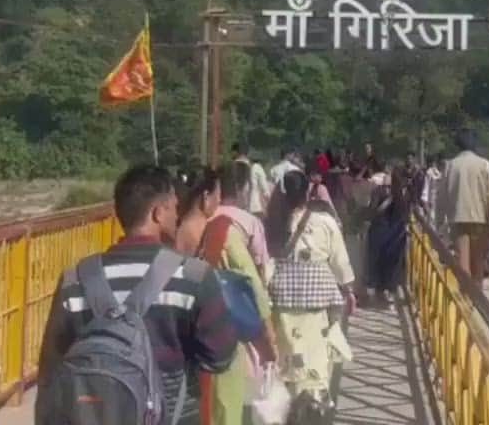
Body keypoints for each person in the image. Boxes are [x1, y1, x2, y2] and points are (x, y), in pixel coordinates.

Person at [35, 165, 236, 425]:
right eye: (174, 207)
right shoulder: (193, 276)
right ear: (157, 213)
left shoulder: (75, 280)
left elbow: (51, 369)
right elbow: (220, 357)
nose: (178, 216)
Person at [173, 168, 276, 425]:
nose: (219, 200)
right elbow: (252, 285)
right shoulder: (222, 233)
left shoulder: (169, 233)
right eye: (217, 194)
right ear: (205, 197)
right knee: (223, 412)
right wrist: (267, 336)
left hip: (176, 343)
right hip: (219, 344)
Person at [265, 170, 356, 420]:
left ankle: (288, 404)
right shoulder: (324, 222)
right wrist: (348, 289)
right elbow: (339, 260)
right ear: (307, 192)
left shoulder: (273, 223)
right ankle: (313, 404)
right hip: (316, 303)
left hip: (282, 300)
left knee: (287, 356)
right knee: (315, 355)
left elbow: (266, 262)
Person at [441, 129, 489, 291]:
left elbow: (442, 196)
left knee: (462, 262)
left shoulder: (450, 165)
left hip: (458, 219)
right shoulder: (484, 165)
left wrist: (439, 221)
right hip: (480, 219)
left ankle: (465, 297)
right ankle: (478, 295)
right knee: (478, 262)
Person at [364, 167, 411, 305]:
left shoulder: (378, 191)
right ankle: (389, 291)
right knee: (392, 263)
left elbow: (372, 210)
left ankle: (376, 290)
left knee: (376, 261)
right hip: (396, 233)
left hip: (380, 231)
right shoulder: (403, 194)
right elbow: (406, 214)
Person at [233, 142, 272, 219]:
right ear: (247, 153)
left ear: (235, 152)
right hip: (253, 209)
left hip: (236, 210)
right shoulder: (256, 167)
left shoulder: (231, 167)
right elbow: (265, 191)